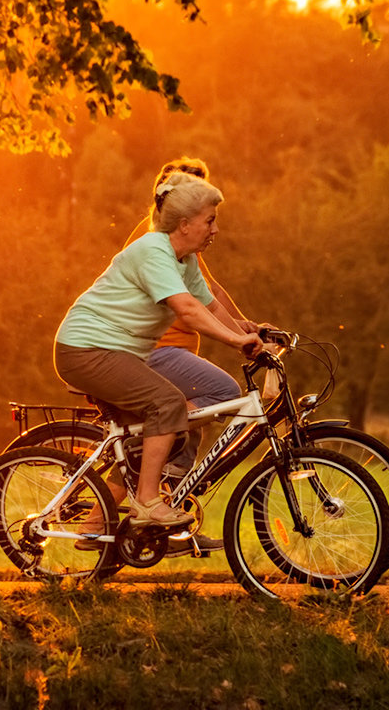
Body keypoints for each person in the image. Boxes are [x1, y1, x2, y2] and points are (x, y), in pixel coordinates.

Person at [54, 172, 262, 538]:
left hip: (116, 353)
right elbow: (186, 308)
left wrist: (247, 332)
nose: (215, 230)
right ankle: (147, 503)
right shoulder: (153, 251)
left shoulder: (185, 259)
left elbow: (209, 305)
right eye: (209, 221)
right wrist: (234, 342)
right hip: (87, 349)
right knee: (168, 403)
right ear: (184, 225)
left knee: (150, 435)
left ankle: (97, 530)